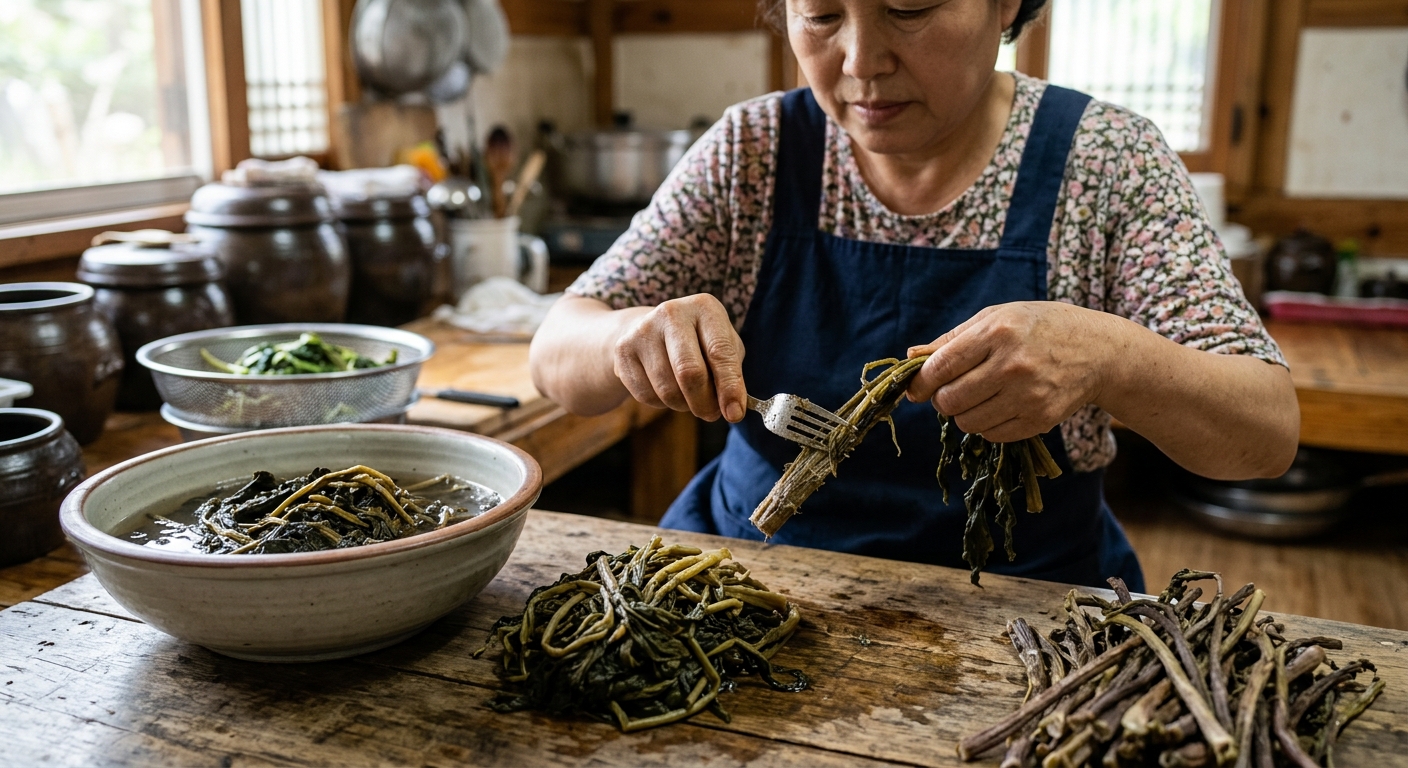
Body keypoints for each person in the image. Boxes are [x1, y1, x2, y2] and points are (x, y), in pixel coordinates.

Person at [529, 0, 1299, 593]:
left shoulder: (1105, 163)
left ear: (1006, 6)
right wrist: (627, 335)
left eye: (910, 8)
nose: (862, 61)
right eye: (822, 14)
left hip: (1020, 609)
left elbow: (1266, 431)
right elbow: (556, 353)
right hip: (746, 584)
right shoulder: (753, 153)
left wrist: (1110, 359)